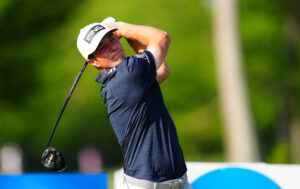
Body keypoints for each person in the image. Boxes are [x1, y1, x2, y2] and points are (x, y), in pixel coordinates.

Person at [77, 17, 193, 189]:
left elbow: (162, 71)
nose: (112, 47)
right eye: (102, 48)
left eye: (112, 38)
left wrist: (126, 35)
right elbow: (162, 37)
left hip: (177, 183)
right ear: (93, 61)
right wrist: (121, 28)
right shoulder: (128, 74)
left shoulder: (125, 77)